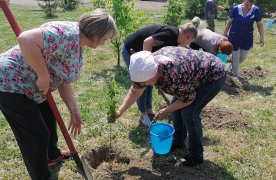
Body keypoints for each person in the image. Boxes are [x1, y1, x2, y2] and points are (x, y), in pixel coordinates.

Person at [0, 9, 117, 179]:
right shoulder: (67, 35)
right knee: (36, 133)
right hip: (10, 83)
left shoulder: (79, 44)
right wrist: (43, 74)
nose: (105, 42)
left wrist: (74, 112)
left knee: (49, 119)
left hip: (34, 88)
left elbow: (64, 82)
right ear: (95, 32)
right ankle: (42, 176)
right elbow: (25, 39)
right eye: (105, 38)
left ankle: (52, 155)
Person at [114, 46, 226, 167]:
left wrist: (167, 110)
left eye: (143, 84)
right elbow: (135, 91)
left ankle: (196, 156)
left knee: (189, 113)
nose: (141, 86)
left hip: (212, 75)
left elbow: (188, 99)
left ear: (154, 75)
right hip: (192, 74)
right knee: (177, 110)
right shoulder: (151, 63)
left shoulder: (174, 75)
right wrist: (119, 111)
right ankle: (178, 142)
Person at [122, 22, 198, 127]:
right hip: (131, 50)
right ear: (189, 36)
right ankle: (143, 115)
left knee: (149, 83)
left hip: (141, 54)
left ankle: (148, 110)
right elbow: (147, 42)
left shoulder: (174, 40)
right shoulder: (171, 34)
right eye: (190, 41)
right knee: (142, 84)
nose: (188, 45)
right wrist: (147, 64)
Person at [223, 0, 264, 78]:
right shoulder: (235, 9)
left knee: (242, 58)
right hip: (234, 37)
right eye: (246, 4)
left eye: (250, 4)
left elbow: (260, 25)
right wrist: (224, 34)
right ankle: (235, 76)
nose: (248, 6)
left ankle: (230, 67)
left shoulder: (256, 10)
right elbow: (229, 22)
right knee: (236, 57)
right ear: (243, 1)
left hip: (247, 38)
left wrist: (262, 37)